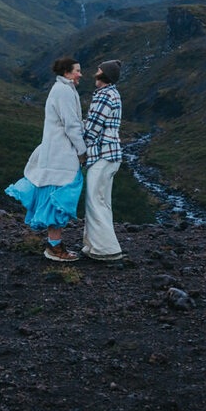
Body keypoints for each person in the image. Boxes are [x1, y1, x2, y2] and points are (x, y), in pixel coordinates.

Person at [5, 56, 87, 262]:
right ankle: (54, 248)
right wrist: (82, 151)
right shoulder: (64, 92)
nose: (80, 74)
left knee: (56, 195)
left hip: (56, 152)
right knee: (60, 196)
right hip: (62, 154)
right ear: (67, 73)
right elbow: (71, 125)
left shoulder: (61, 89)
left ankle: (55, 245)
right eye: (77, 70)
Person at [81, 59, 124, 261]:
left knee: (94, 201)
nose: (95, 74)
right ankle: (94, 246)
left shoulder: (104, 96)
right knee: (102, 201)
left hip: (102, 155)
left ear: (104, 75)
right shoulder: (112, 94)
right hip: (111, 155)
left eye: (98, 71)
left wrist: (79, 147)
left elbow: (92, 128)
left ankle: (106, 249)